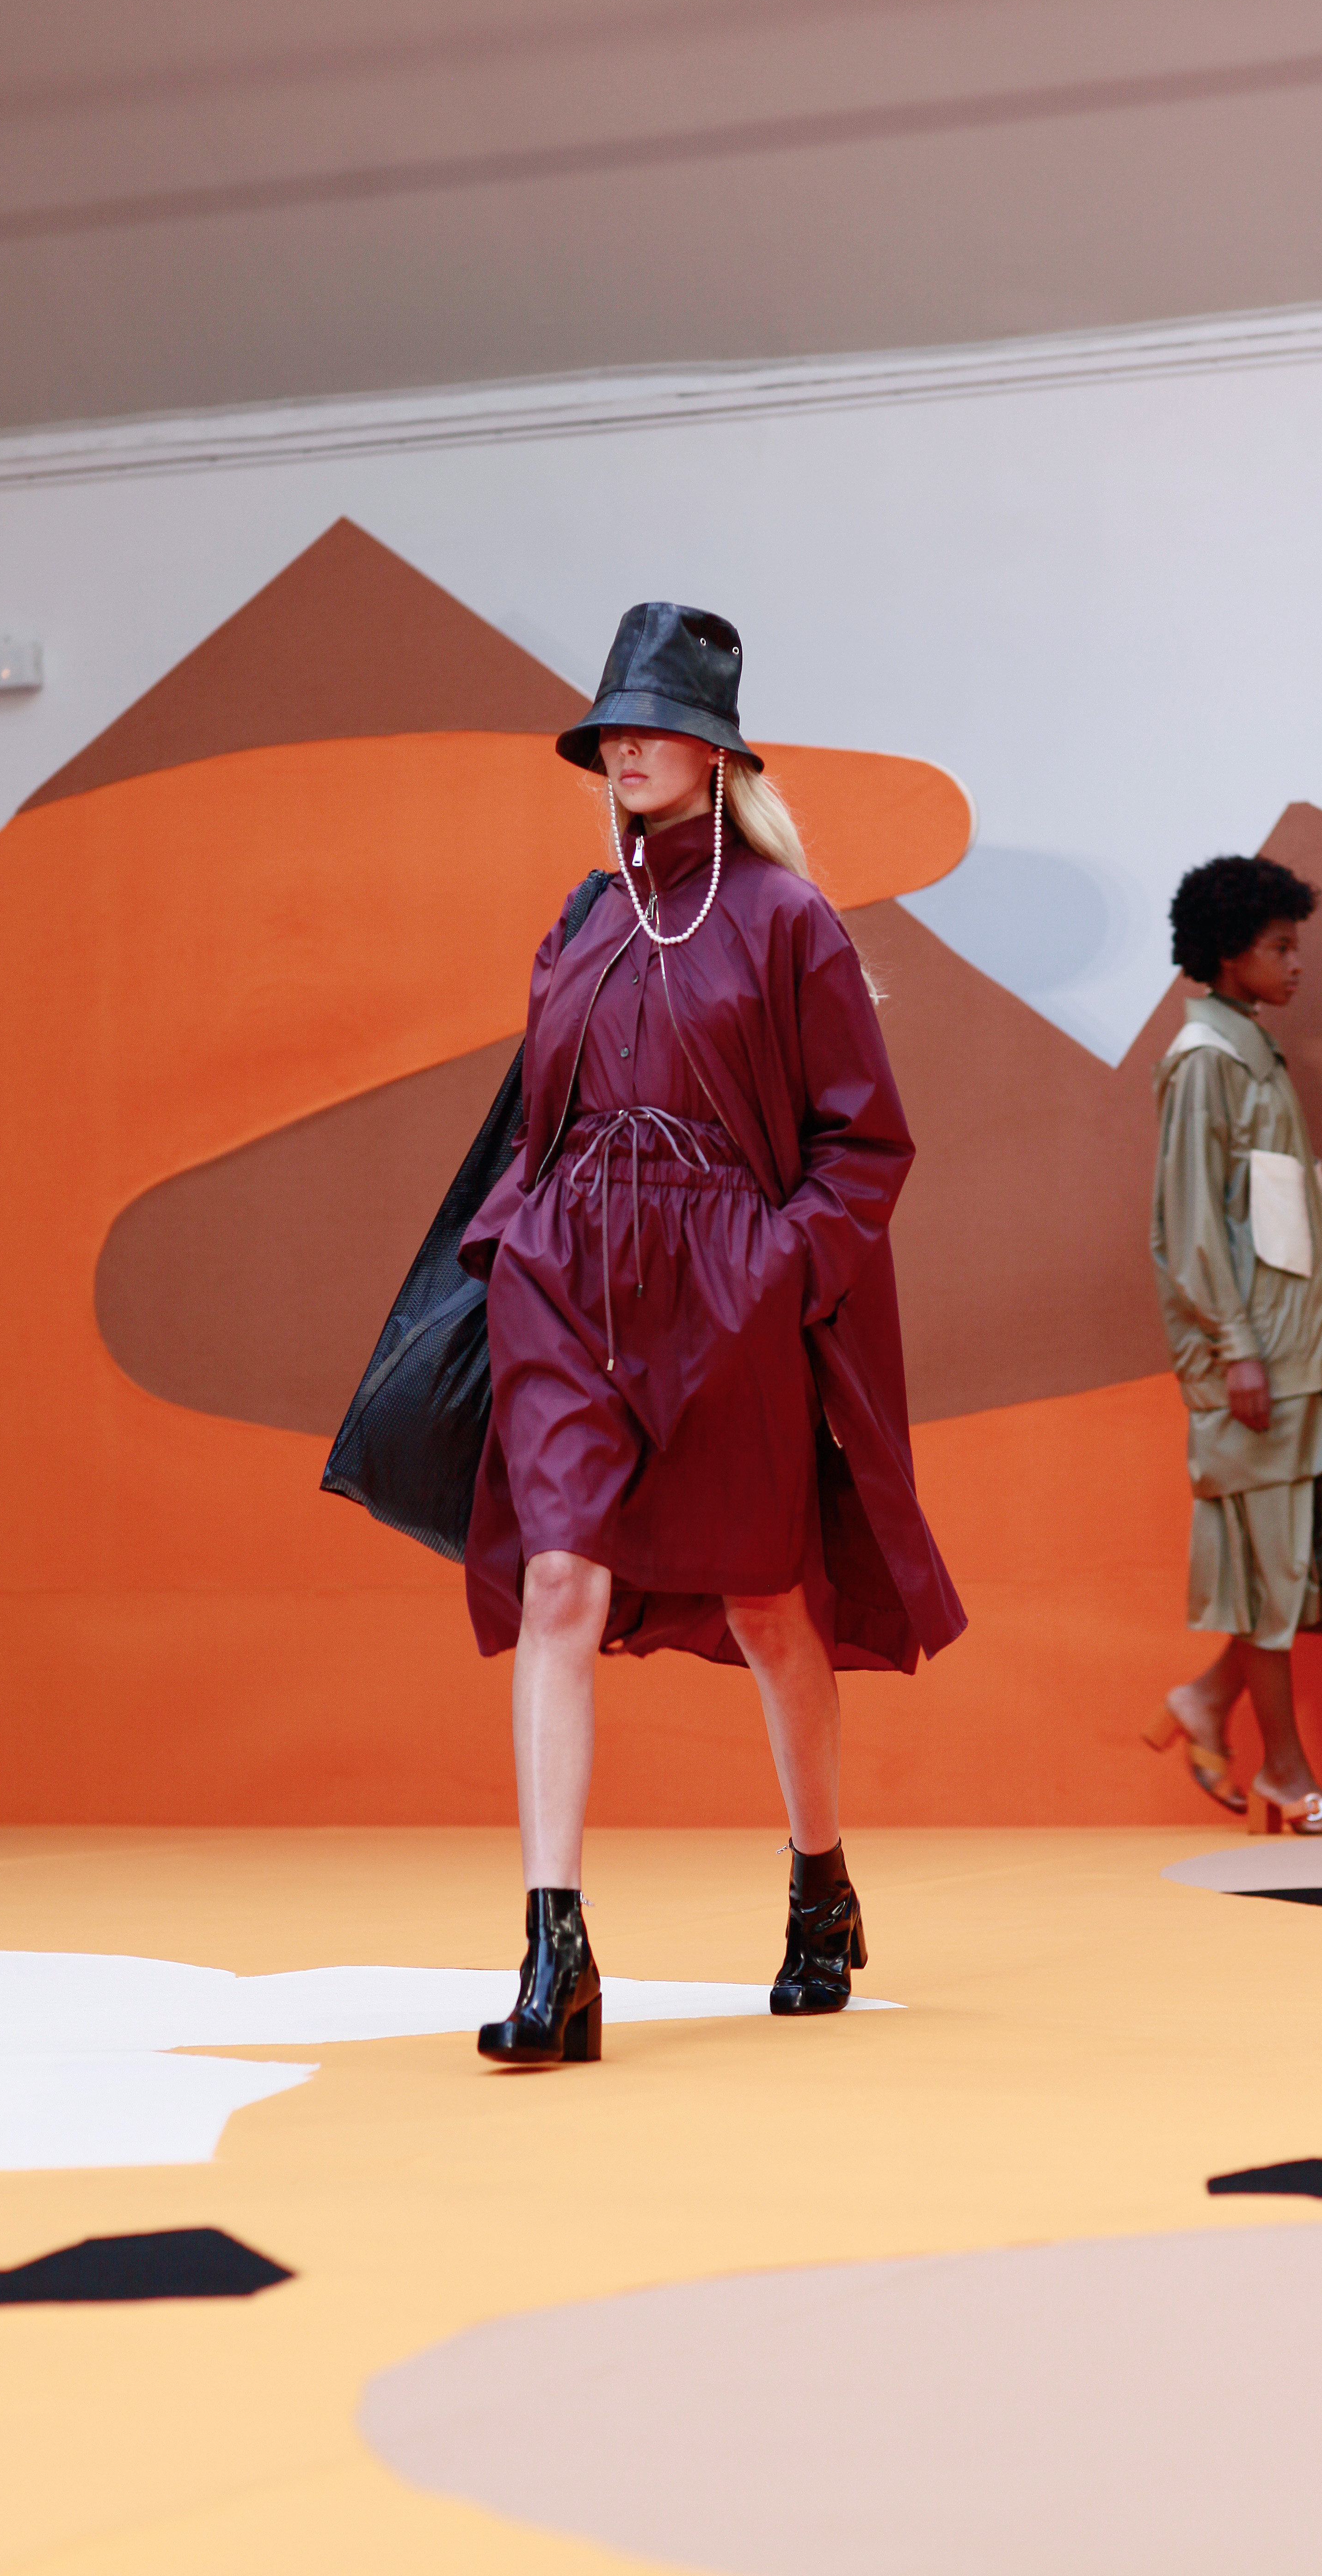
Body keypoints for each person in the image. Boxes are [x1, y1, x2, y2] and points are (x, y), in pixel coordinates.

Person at [458, 602, 965, 2065]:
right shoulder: (582, 919)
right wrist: (514, 1238)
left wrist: (773, 1273)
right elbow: (532, 1119)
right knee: (561, 1578)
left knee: (766, 1605)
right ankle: (555, 1947)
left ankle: (820, 1883)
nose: (626, 749)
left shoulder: (789, 920)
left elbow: (866, 1146)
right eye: (612, 728)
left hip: (726, 1293)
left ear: (718, 753)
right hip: (569, 1280)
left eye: (655, 726)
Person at [1144, 854, 1322, 1834]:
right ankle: (1286, 1771)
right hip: (1259, 1363)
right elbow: (1191, 1224)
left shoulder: (1254, 1052)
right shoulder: (1204, 1061)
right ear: (1229, 951)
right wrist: (1237, 1350)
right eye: (1280, 946)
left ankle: (1205, 1698)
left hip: (1307, 1354)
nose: (1297, 964)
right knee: (1271, 1574)